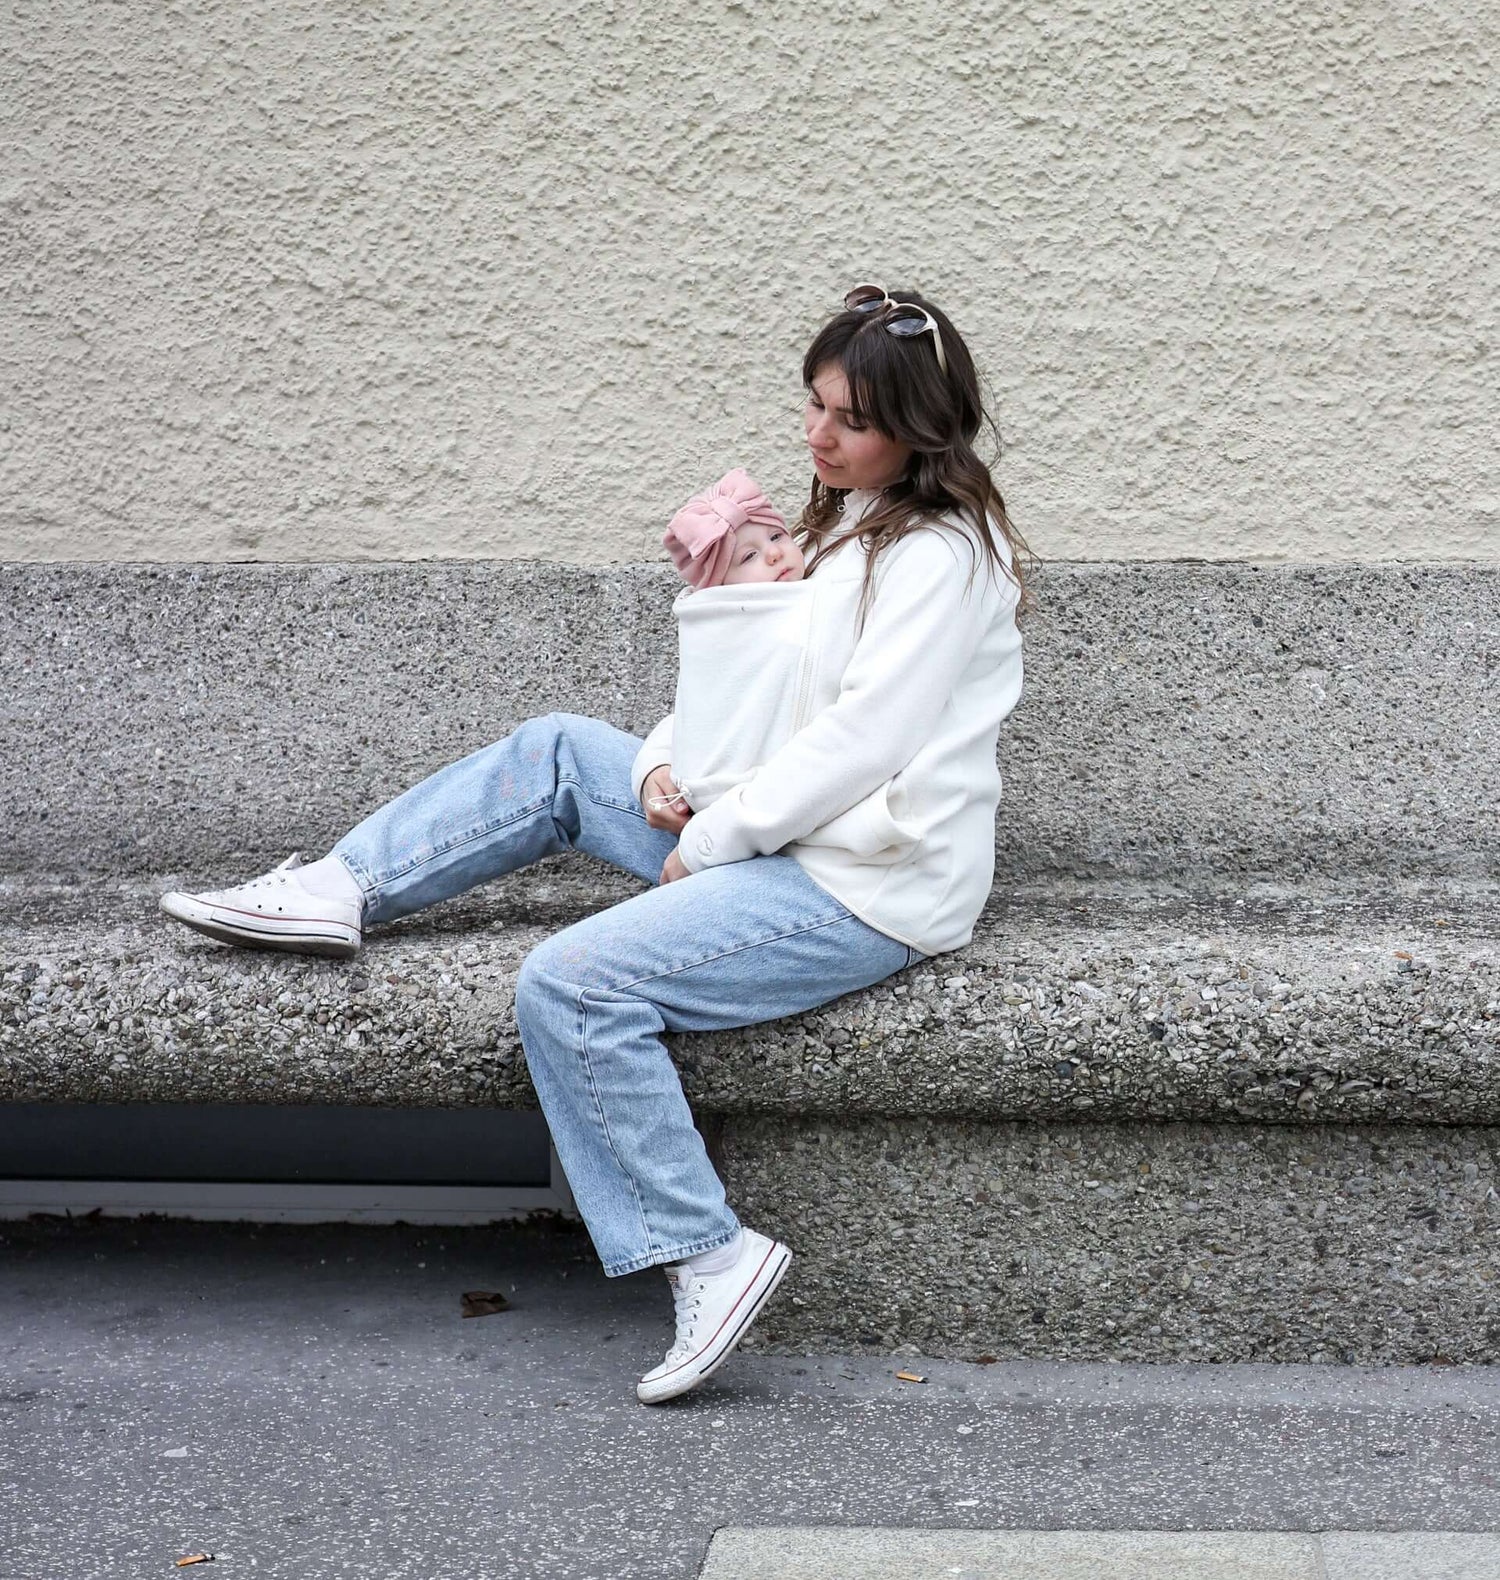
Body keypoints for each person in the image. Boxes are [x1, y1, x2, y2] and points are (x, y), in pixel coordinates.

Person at [157, 282, 1035, 1405]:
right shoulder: (845, 521)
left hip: (866, 882)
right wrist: (666, 765)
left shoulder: (940, 555)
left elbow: (864, 742)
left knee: (571, 984)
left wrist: (713, 840)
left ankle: (707, 1253)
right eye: (814, 405)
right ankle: (341, 886)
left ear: (921, 427)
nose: (819, 436)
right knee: (564, 751)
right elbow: (751, 690)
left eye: (852, 420)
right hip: (774, 827)